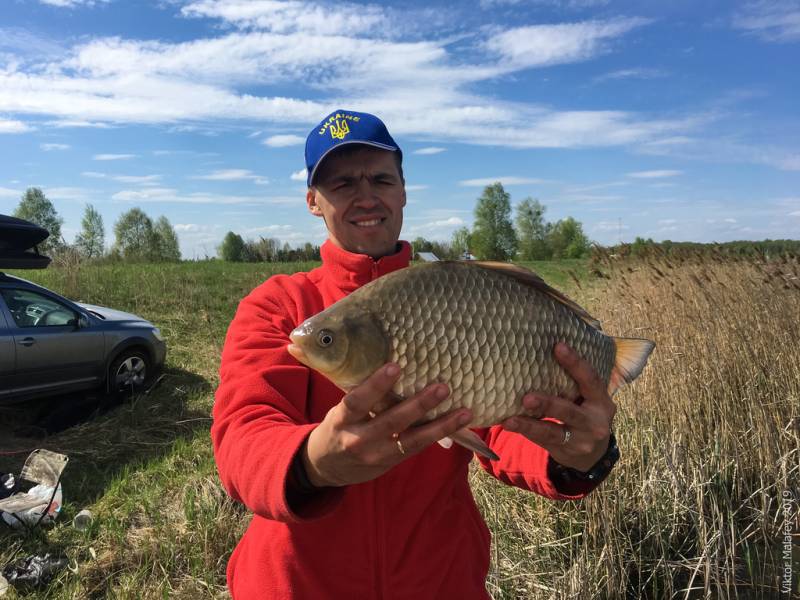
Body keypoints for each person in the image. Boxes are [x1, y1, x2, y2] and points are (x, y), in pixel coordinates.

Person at [212, 109, 620, 599]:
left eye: (381, 178)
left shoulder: (457, 294)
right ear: (313, 202)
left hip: (442, 580)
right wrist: (315, 463)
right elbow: (242, 435)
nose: (365, 195)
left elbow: (499, 425)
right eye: (341, 184)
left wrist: (581, 457)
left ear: (403, 191)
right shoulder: (280, 307)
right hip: (295, 585)